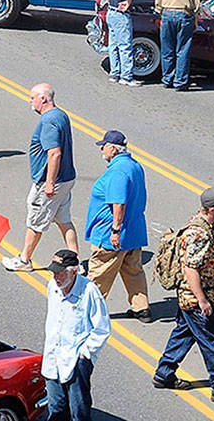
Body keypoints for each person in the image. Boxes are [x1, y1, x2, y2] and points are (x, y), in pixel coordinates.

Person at [153, 187, 214, 405]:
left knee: (184, 334)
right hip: (197, 299)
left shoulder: (200, 224)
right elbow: (190, 268)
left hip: (190, 298)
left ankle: (164, 373)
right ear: (213, 209)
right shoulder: (199, 233)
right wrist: (203, 300)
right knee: (212, 341)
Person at [3, 83, 78, 271]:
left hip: (51, 181)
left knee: (36, 220)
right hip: (67, 178)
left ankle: (24, 260)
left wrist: (49, 183)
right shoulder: (60, 114)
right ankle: (75, 261)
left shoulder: (48, 121)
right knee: (63, 220)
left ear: (43, 99)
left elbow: (54, 153)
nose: (31, 102)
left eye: (32, 98)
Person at [84, 130, 152, 323]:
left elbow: (118, 202)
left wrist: (115, 230)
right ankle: (141, 308)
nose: (102, 150)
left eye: (104, 146)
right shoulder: (133, 166)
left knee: (99, 273)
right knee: (133, 270)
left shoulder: (117, 172)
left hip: (111, 235)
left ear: (113, 149)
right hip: (134, 232)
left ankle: (89, 312)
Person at [40, 248, 110, 421]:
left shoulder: (89, 292)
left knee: (79, 409)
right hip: (53, 356)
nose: (56, 277)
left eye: (60, 273)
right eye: (53, 273)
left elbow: (102, 328)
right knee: (56, 406)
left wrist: (85, 355)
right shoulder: (53, 286)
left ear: (74, 272)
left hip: (76, 360)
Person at [155, 0, 201, 91]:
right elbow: (196, 1)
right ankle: (180, 81)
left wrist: (159, 12)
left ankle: (167, 78)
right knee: (183, 49)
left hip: (167, 12)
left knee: (167, 48)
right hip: (184, 13)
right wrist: (196, 18)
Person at [98, 0, 139, 85]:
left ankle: (114, 73)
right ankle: (126, 77)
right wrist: (128, 2)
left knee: (113, 45)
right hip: (121, 15)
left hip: (111, 12)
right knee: (125, 46)